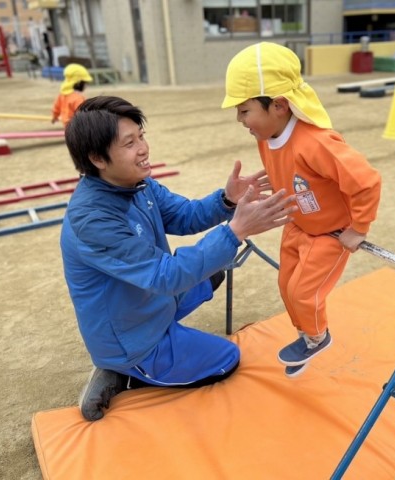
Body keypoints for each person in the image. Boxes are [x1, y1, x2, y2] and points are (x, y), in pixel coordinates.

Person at [61, 95, 297, 421]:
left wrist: (227, 200)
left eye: (141, 136)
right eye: (129, 143)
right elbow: (166, 277)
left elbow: (185, 215)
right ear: (97, 158)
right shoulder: (94, 220)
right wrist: (235, 231)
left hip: (145, 302)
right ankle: (123, 371)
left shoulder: (135, 184)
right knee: (227, 359)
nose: (143, 148)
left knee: (214, 271)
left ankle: (135, 356)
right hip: (133, 336)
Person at [221, 42, 382, 378]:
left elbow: (365, 181)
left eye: (244, 110)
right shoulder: (266, 137)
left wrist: (360, 228)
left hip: (330, 233)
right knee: (285, 284)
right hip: (297, 225)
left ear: (279, 105)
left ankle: (316, 337)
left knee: (303, 292)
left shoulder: (317, 143)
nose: (240, 120)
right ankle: (306, 336)